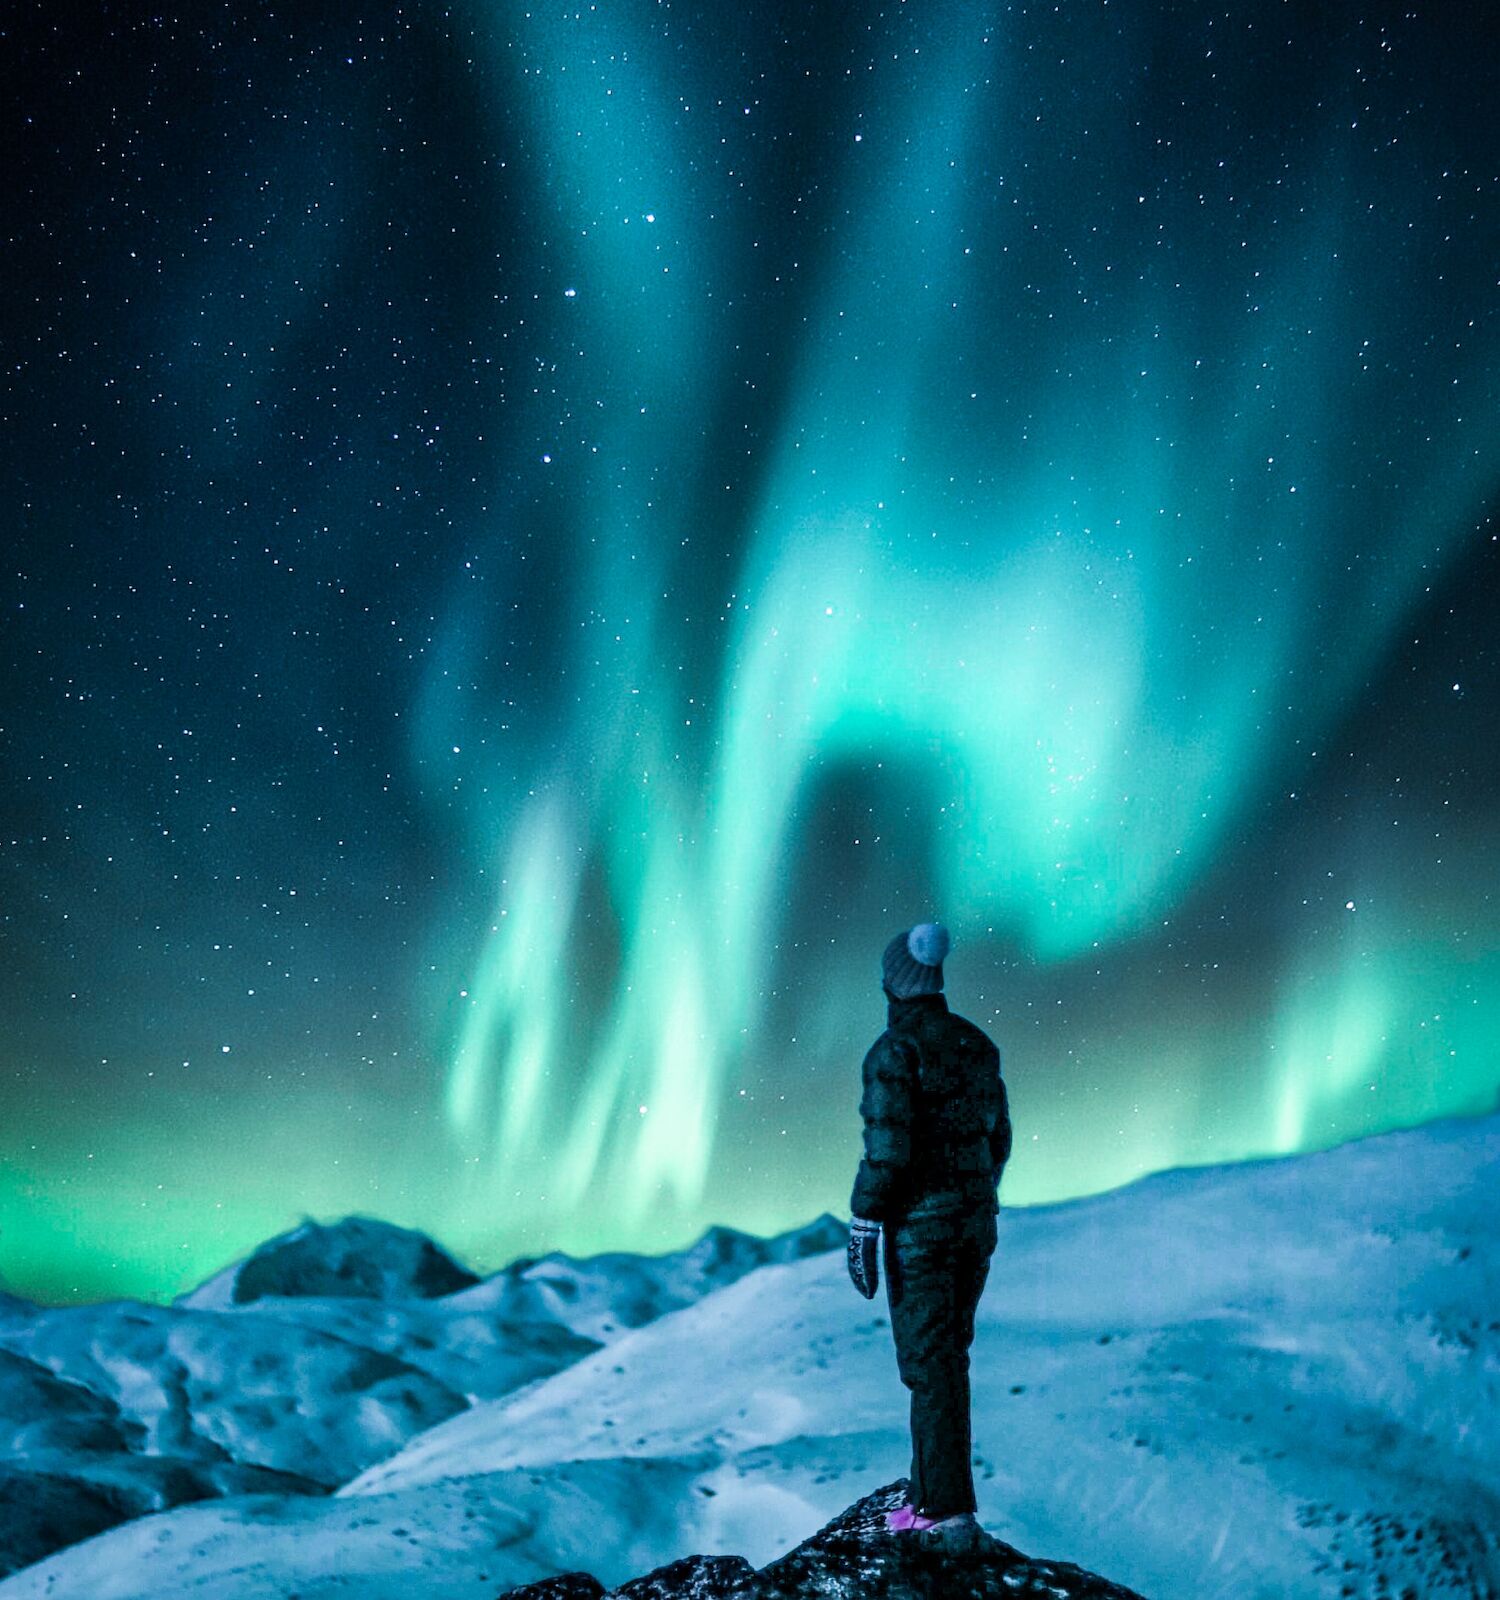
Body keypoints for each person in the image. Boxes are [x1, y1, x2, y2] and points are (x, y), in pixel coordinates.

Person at [846, 922, 1011, 1548]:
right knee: (948, 1360)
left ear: (895, 981)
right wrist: (975, 1193)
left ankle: (944, 1511)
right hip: (975, 1224)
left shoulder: (895, 1052)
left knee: (929, 1364)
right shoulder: (977, 1043)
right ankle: (932, 1498)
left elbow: (887, 1154)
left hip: (923, 1231)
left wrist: (865, 1222)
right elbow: (999, 1138)